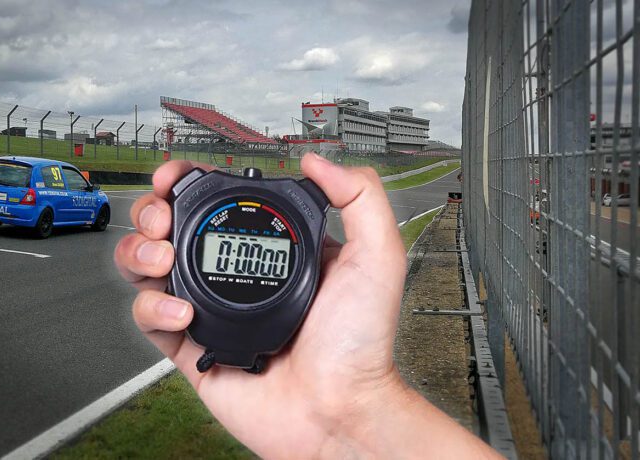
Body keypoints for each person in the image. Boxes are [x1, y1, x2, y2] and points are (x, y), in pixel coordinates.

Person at [114, 154, 500, 458]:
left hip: (259, 332)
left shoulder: (200, 194)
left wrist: (356, 411)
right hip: (223, 326)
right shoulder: (303, 203)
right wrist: (349, 421)